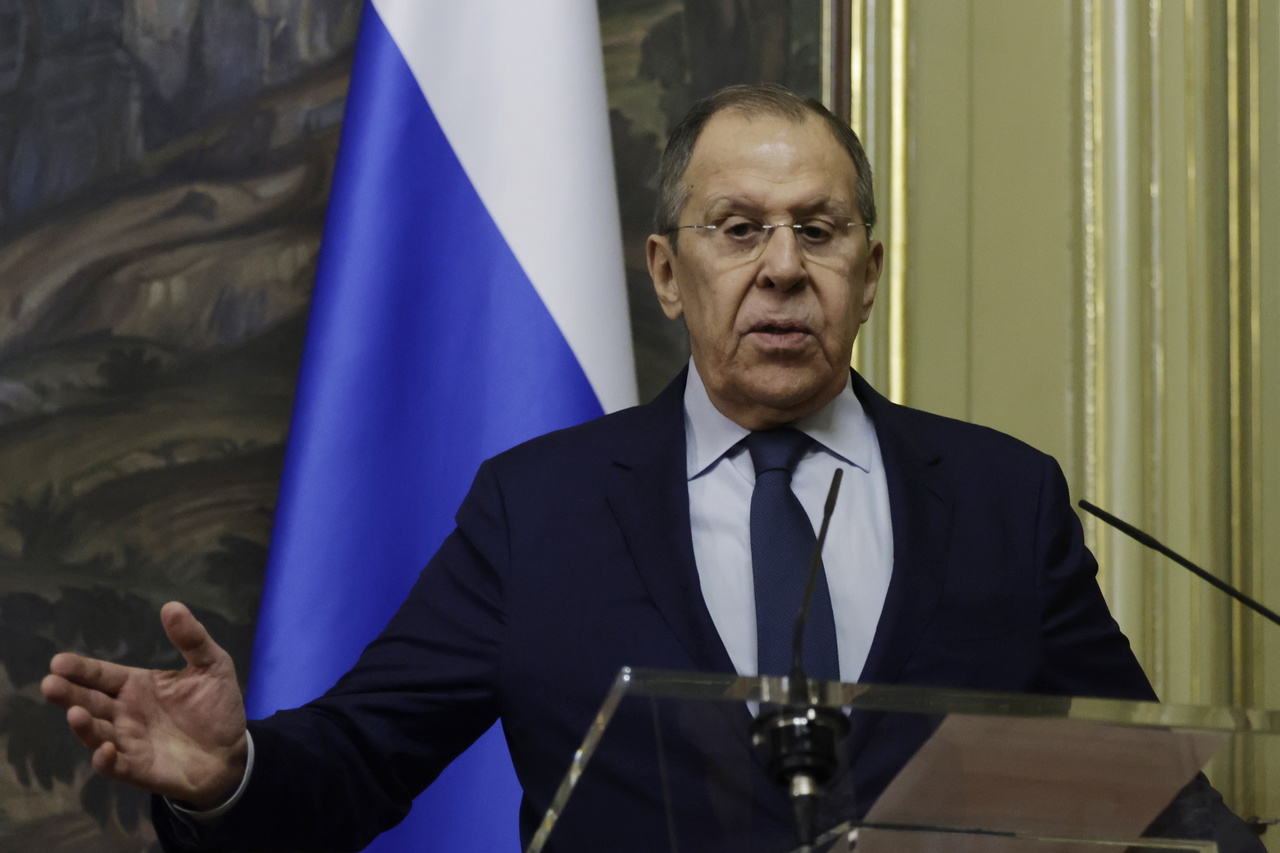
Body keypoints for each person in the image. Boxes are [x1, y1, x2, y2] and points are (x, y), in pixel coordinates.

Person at [42, 84, 1262, 852]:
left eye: (818, 230)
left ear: (868, 275)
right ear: (668, 274)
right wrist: (228, 773)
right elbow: (359, 760)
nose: (780, 267)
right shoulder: (538, 508)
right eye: (737, 230)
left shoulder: (1003, 498)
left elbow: (1144, 791)